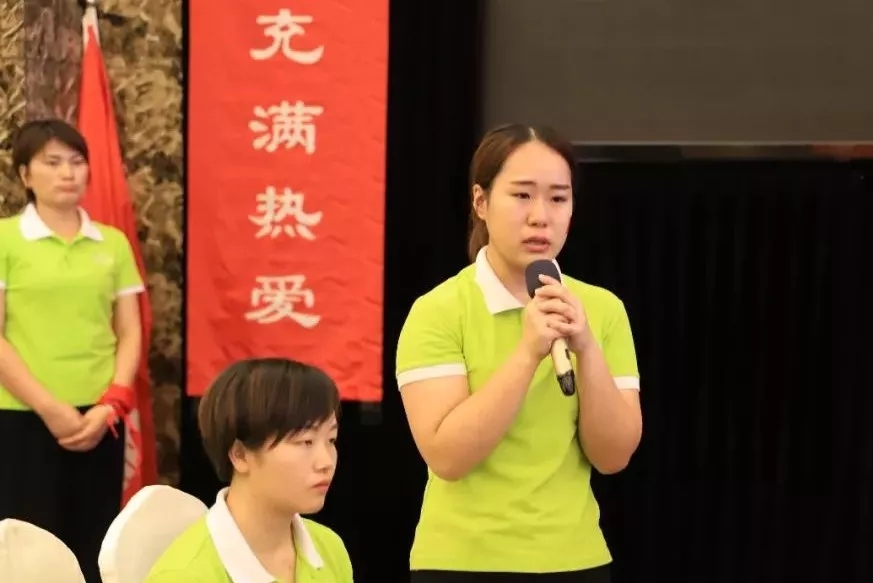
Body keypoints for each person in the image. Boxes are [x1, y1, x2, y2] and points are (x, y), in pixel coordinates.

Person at [396, 124, 643, 582]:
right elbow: (448, 457)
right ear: (481, 202)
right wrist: (528, 353)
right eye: (522, 196)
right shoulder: (438, 311)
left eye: (558, 198)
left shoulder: (602, 310)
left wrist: (587, 347)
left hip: (577, 560)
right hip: (462, 563)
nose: (540, 217)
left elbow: (613, 456)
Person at [0, 119, 145, 583]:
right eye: (53, 162)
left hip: (100, 419)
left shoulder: (112, 243)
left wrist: (111, 403)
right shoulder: (5, 240)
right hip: (23, 416)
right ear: (25, 175)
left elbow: (130, 331)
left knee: (96, 540)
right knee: (29, 546)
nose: (68, 173)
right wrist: (49, 407)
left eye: (77, 162)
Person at [145, 358, 353, 583]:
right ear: (240, 454)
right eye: (306, 442)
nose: (326, 462)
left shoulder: (328, 547)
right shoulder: (183, 575)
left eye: (331, 440)